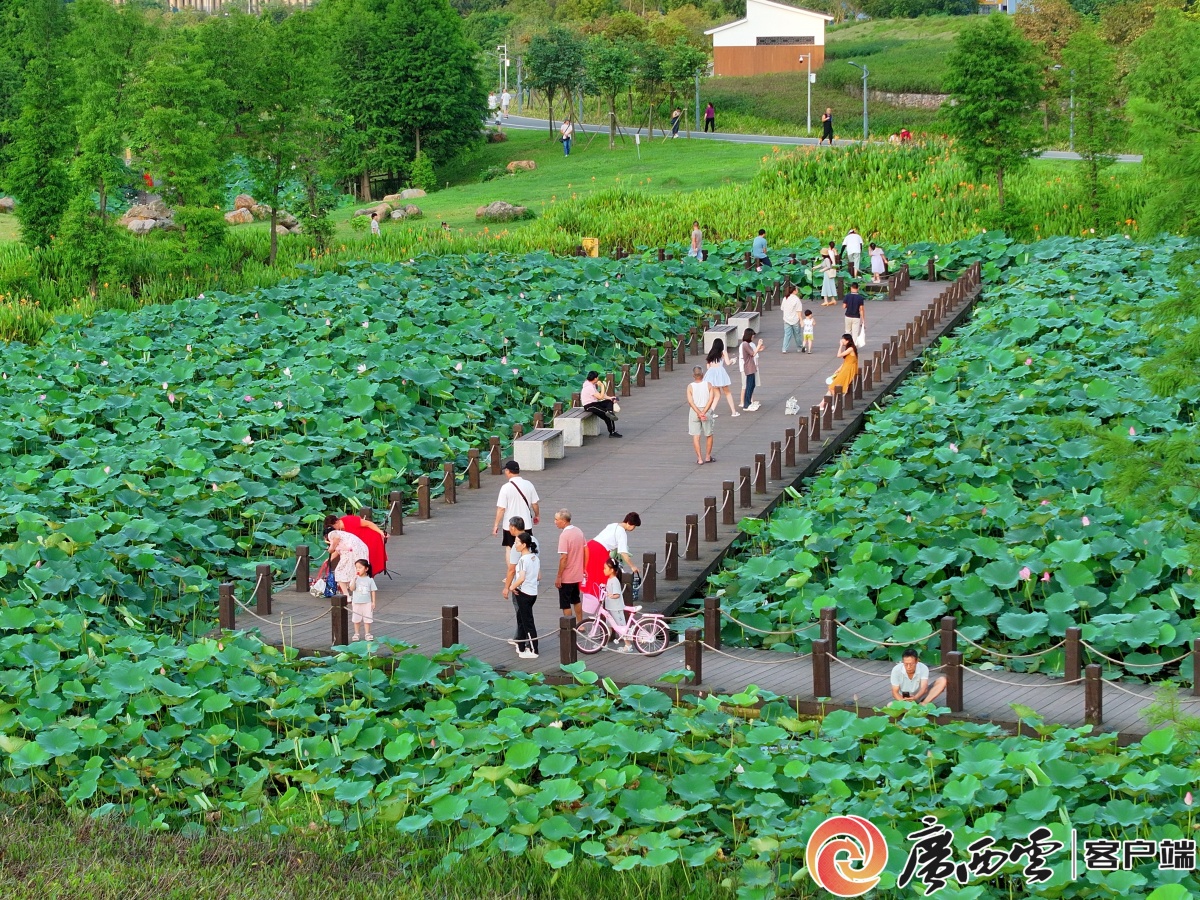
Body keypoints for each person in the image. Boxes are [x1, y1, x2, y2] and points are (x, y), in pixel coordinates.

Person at [492, 460, 540, 564]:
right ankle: (525, 571)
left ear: (508, 471)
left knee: (510, 548)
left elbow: (501, 508)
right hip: (525, 523)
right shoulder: (529, 484)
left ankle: (511, 573)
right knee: (526, 548)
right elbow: (535, 503)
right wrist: (537, 515)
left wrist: (496, 525)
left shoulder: (505, 488)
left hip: (510, 525)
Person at [584, 513, 642, 598]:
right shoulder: (622, 533)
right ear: (629, 523)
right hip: (599, 550)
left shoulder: (613, 525)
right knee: (605, 572)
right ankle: (604, 596)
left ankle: (592, 593)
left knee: (592, 571)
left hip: (590, 545)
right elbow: (623, 553)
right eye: (634, 526)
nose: (633, 528)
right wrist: (632, 566)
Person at [507, 531, 541, 659]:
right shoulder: (535, 558)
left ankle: (534, 650)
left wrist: (511, 586)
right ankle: (521, 645)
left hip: (524, 593)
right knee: (522, 619)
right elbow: (538, 576)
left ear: (524, 544)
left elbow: (521, 578)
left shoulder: (522, 559)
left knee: (528, 622)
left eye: (517, 543)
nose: (515, 545)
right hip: (532, 592)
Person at [554, 509, 587, 624]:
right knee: (576, 599)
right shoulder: (578, 531)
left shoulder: (564, 536)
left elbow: (563, 558)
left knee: (565, 603)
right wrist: (584, 567)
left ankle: (569, 626)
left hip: (567, 576)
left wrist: (559, 576)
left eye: (557, 520)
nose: (555, 522)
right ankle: (580, 623)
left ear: (563, 521)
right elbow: (585, 549)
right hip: (577, 574)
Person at [332, 512, 388, 578]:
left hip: (370, 538)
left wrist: (381, 532)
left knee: (369, 560)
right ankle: (361, 580)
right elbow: (341, 547)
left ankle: (367, 580)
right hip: (359, 543)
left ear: (336, 523)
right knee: (358, 561)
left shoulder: (349, 520)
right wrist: (331, 558)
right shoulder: (340, 531)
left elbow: (369, 524)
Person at [326, 528, 370, 597]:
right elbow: (338, 550)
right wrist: (329, 559)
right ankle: (356, 588)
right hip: (361, 549)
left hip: (350, 552)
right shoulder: (345, 535)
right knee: (357, 570)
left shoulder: (331, 534)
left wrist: (331, 548)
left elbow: (336, 538)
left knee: (339, 571)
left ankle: (346, 595)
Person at [603, 557, 634, 652]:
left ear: (612, 570)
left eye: (605, 568)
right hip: (610, 607)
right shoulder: (610, 579)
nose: (603, 570)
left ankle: (628, 645)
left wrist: (610, 595)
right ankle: (605, 644)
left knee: (621, 627)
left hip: (616, 608)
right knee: (609, 626)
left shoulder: (614, 581)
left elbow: (617, 594)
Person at [687, 366, 716, 466]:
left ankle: (699, 458)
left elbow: (690, 402)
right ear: (703, 375)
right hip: (706, 410)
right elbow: (711, 399)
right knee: (709, 434)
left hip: (694, 411)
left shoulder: (690, 386)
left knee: (696, 436)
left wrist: (698, 413)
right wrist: (704, 412)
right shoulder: (708, 385)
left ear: (693, 376)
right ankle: (707, 456)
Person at [703, 338, 739, 417]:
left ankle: (711, 412)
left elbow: (708, 367)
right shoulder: (723, 352)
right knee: (727, 393)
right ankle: (733, 412)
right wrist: (733, 360)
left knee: (717, 395)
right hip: (720, 374)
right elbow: (728, 363)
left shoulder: (711, 353)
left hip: (711, 374)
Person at [581, 370, 621, 438]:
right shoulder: (589, 387)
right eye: (597, 377)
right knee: (607, 415)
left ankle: (610, 412)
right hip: (589, 406)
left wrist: (610, 398)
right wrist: (602, 386)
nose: (598, 379)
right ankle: (612, 432)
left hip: (595, 403)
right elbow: (600, 397)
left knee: (609, 403)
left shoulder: (591, 384)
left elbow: (600, 395)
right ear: (595, 378)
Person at [349, 559, 378, 642]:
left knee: (367, 618)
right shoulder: (355, 579)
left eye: (360, 567)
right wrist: (354, 580)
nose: (358, 569)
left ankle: (367, 633)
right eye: (356, 568)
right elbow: (352, 588)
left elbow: (373, 591)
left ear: (366, 569)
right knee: (356, 618)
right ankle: (356, 633)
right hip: (356, 602)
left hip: (367, 602)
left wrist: (373, 602)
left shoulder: (370, 580)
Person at [826, 333, 858, 401]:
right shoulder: (849, 348)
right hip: (845, 368)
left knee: (832, 387)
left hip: (848, 370)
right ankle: (822, 404)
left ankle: (836, 402)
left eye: (843, 339)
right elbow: (846, 361)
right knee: (832, 386)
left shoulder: (850, 349)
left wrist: (840, 346)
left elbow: (838, 355)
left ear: (847, 341)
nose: (842, 341)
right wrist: (838, 369)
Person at [740, 328, 763, 412]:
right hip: (748, 367)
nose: (753, 337)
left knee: (752, 384)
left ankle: (748, 402)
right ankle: (747, 404)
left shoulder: (747, 344)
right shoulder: (745, 344)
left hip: (751, 366)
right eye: (752, 336)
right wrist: (758, 345)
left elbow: (753, 352)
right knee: (749, 385)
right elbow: (753, 353)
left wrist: (758, 348)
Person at [781, 284, 803, 353]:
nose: (797, 290)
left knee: (787, 335)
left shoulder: (785, 298)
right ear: (794, 291)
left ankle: (784, 348)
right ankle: (799, 347)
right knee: (797, 334)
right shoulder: (797, 299)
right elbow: (799, 311)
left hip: (786, 319)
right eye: (796, 289)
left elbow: (782, 308)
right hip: (795, 319)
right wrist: (801, 320)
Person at [843, 281, 866, 348]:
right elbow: (861, 309)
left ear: (851, 288)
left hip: (848, 316)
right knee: (855, 333)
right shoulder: (860, 298)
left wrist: (848, 305)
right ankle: (853, 346)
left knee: (847, 331)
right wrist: (863, 320)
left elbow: (844, 306)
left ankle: (846, 344)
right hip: (856, 317)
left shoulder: (847, 296)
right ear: (857, 288)